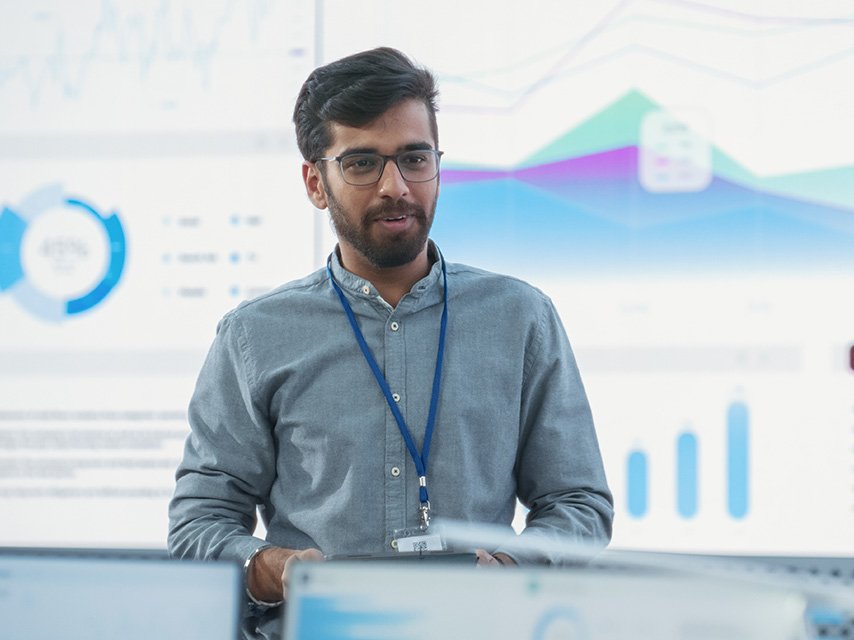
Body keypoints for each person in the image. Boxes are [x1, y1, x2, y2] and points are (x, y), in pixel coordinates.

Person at [168, 47, 613, 638]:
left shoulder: (521, 318)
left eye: (414, 158)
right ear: (315, 182)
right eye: (361, 163)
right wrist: (271, 567)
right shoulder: (254, 336)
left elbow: (579, 504)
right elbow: (200, 521)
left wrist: (511, 566)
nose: (395, 186)